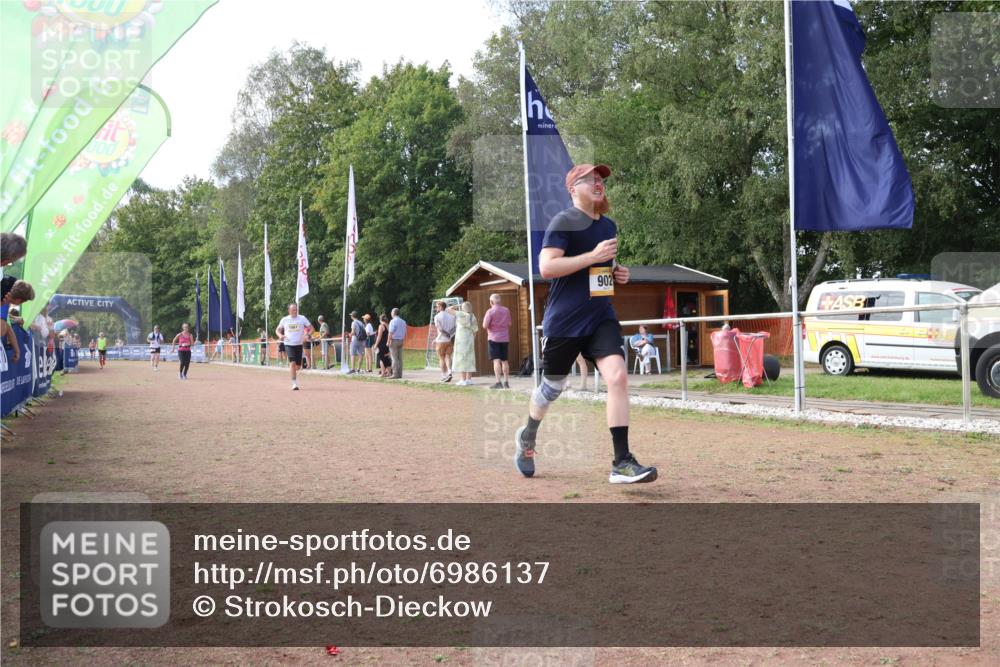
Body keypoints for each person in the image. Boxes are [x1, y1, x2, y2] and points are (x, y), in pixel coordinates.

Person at [514, 163, 657, 484]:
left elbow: (602, 268)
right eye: (589, 179)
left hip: (600, 317)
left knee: (618, 377)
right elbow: (547, 267)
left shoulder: (608, 226)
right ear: (572, 189)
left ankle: (621, 462)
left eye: (601, 179)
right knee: (551, 389)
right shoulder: (563, 221)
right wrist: (593, 257)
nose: (598, 183)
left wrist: (619, 272)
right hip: (564, 323)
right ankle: (527, 437)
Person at [276, 302, 311, 390]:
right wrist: (280, 336)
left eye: (296, 309)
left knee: (298, 366)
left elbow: (312, 328)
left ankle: (293, 370)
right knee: (292, 363)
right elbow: (277, 330)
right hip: (288, 344)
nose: (295, 311)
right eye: (293, 310)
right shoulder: (285, 319)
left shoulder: (302, 318)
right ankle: (294, 384)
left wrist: (307, 335)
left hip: (299, 344)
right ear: (289, 311)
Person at [482, 294, 512, 389]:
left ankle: (498, 382)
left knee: (496, 361)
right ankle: (506, 382)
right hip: (504, 338)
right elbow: (510, 323)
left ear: (491, 302)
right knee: (505, 361)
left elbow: (484, 325)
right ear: (500, 301)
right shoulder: (506, 310)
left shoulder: (490, 311)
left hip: (493, 338)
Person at [449, 302, 478, 386]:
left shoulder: (460, 314)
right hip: (469, 340)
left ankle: (463, 379)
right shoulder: (472, 316)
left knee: (461, 358)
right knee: (469, 359)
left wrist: (457, 306)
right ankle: (469, 379)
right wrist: (473, 339)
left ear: (463, 307)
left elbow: (448, 309)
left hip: (460, 341)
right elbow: (475, 330)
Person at [433, 300, 455, 382]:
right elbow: (455, 327)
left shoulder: (437, 317)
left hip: (441, 340)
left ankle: (444, 375)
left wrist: (446, 334)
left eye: (437, 306)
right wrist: (450, 334)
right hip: (450, 340)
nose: (436, 308)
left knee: (441, 358)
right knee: (448, 356)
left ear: (441, 307)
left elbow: (440, 328)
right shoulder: (452, 316)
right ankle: (449, 372)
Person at [387, 308, 407, 379]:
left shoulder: (393, 321)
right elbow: (405, 333)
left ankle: (395, 374)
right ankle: (400, 374)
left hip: (394, 341)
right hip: (401, 340)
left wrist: (388, 341)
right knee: (400, 358)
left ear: (394, 313)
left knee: (394, 358)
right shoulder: (403, 322)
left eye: (391, 312)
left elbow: (390, 332)